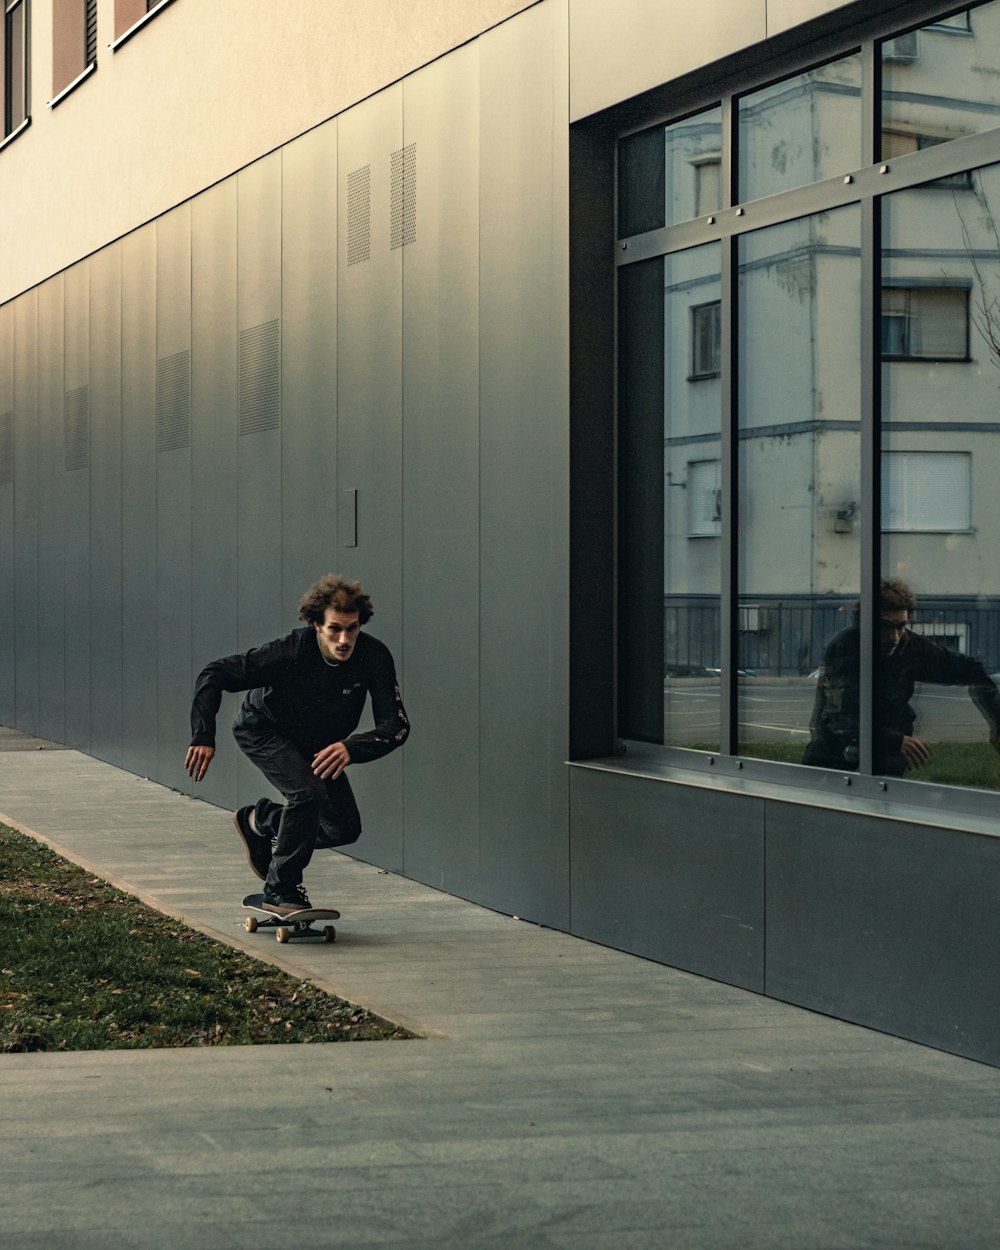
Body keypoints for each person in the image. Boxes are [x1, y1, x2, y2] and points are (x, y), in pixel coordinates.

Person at [184, 575, 409, 915]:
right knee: (308, 795)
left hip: (318, 743)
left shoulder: (374, 656)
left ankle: (261, 820)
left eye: (353, 628)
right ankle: (281, 889)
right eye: (334, 629)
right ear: (317, 624)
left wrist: (352, 747)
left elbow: (397, 726)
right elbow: (215, 673)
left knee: (344, 828)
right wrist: (203, 735)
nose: (344, 639)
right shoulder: (291, 650)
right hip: (263, 730)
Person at [803, 577, 1000, 776]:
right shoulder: (845, 648)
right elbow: (838, 717)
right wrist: (892, 741)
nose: (894, 637)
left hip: (888, 752)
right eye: (885, 626)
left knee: (887, 798)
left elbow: (971, 670)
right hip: (836, 751)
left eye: (901, 626)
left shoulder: (911, 646)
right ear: (865, 623)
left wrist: (997, 721)